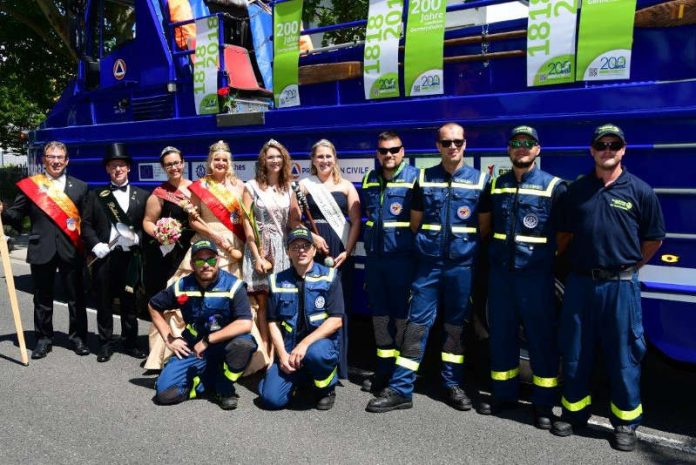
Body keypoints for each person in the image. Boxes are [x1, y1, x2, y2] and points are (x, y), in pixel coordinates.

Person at [551, 124, 665, 452]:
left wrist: (629, 268)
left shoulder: (640, 191)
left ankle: (626, 423)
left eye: (614, 144)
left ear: (623, 150)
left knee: (624, 355)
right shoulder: (578, 190)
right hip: (580, 284)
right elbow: (564, 234)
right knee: (574, 352)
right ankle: (574, 413)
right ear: (592, 150)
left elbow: (654, 238)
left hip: (620, 287)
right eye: (601, 144)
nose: (607, 150)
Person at [367, 122, 491, 413]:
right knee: (416, 326)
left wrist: (461, 249)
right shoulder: (423, 179)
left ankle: (452, 383)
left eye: (458, 142)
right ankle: (401, 389)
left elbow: (484, 227)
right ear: (438, 146)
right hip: (429, 266)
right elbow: (415, 222)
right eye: (446, 142)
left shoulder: (479, 181)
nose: (452, 147)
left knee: (455, 328)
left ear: (465, 144)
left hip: (462, 266)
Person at [476, 126, 566, 429]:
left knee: (542, 341)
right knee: (501, 337)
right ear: (509, 150)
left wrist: (546, 259)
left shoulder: (554, 186)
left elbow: (566, 233)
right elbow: (485, 227)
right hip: (501, 276)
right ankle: (504, 394)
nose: (522, 148)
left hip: (536, 279)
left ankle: (544, 405)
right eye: (516, 143)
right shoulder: (497, 185)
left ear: (538, 150)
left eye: (528, 143)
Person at [173, 140, 270, 373]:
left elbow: (248, 220)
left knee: (236, 301)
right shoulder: (199, 186)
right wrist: (216, 238)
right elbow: (193, 220)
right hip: (208, 244)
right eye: (216, 159)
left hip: (235, 246)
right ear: (210, 162)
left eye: (224, 160)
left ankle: (239, 356)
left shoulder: (240, 186)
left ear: (230, 163)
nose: (220, 163)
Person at [0, 141, 89, 359]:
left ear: (67, 160)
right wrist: (3, 210)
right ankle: (43, 339)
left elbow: (88, 221)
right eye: (51, 157)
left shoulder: (80, 187)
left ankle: (78, 338)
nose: (56, 161)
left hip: (72, 249)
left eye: (60, 157)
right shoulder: (31, 186)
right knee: (42, 298)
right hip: (42, 248)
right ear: (44, 160)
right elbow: (16, 215)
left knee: (76, 297)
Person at [149, 239, 257, 410]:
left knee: (244, 344)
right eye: (200, 260)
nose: (206, 265)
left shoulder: (233, 285)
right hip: (194, 348)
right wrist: (169, 338)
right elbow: (154, 305)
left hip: (224, 345)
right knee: (165, 395)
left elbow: (244, 323)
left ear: (218, 261)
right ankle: (205, 383)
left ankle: (224, 387)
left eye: (211, 259)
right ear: (192, 264)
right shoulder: (182, 286)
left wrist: (208, 340)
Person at [258, 227, 343, 410]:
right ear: (288, 252)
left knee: (316, 355)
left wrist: (304, 344)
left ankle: (326, 389)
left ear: (314, 250)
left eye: (305, 246)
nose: (301, 251)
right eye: (295, 247)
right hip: (289, 347)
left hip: (319, 344)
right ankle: (301, 378)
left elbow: (336, 320)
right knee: (271, 400)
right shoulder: (276, 281)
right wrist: (281, 355)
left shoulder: (329, 277)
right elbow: (272, 321)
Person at [360, 131, 419, 393]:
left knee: (402, 318)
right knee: (380, 317)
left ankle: (402, 374)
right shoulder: (370, 179)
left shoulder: (416, 178)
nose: (389, 155)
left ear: (403, 151)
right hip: (375, 261)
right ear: (377, 153)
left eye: (394, 150)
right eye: (383, 150)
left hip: (403, 261)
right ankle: (383, 370)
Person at [299, 139, 360, 379]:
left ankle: (340, 361)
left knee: (339, 305)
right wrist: (312, 236)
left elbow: (355, 221)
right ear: (312, 160)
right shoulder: (304, 185)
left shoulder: (346, 186)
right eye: (320, 156)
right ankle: (312, 358)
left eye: (328, 156)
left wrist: (348, 249)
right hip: (314, 248)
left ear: (335, 159)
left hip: (340, 251)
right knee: (314, 301)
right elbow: (295, 220)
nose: (324, 160)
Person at [82, 143, 149, 362]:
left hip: (129, 257)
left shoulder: (142, 195)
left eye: (121, 165)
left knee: (130, 301)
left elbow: (146, 224)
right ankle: (105, 343)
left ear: (129, 168)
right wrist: (94, 245)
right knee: (104, 301)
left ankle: (130, 342)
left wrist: (137, 237)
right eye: (113, 166)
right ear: (107, 170)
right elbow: (86, 225)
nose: (117, 170)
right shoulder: (97, 195)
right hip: (105, 257)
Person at [242, 139, 302, 361]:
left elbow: (295, 221)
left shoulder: (290, 188)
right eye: (270, 157)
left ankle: (280, 351)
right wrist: (257, 256)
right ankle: (265, 353)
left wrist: (312, 235)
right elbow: (246, 223)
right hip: (259, 248)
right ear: (263, 161)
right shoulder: (251, 187)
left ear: (284, 159)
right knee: (263, 303)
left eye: (278, 156)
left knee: (280, 300)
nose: (274, 160)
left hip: (282, 250)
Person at [142, 146, 194, 370]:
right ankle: (159, 353)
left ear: (183, 163)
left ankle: (188, 345)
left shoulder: (195, 188)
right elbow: (147, 221)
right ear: (163, 168)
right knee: (167, 301)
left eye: (177, 162)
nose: (174, 167)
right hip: (170, 253)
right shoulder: (159, 194)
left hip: (193, 251)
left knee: (190, 301)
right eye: (169, 164)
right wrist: (162, 234)